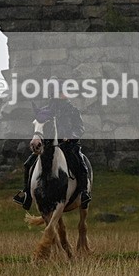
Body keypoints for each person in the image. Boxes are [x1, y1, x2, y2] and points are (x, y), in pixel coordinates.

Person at [13, 79, 92, 210]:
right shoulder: (45, 111)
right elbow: (39, 127)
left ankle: (84, 193)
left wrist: (70, 137)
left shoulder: (73, 110)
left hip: (69, 146)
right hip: (48, 147)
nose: (65, 94)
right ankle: (27, 194)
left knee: (81, 164)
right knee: (28, 164)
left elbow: (80, 128)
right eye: (62, 92)